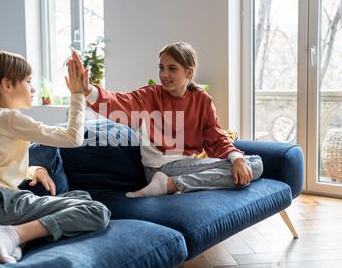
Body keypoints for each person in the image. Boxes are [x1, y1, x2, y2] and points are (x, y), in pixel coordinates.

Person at [0, 51, 111, 264]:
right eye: (28, 81)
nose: (34, 88)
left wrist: (33, 170)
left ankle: (11, 243)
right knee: (97, 211)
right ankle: (13, 236)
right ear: (7, 85)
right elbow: (72, 138)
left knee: (81, 197)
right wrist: (76, 94)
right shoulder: (9, 117)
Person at [75, 42, 263, 197]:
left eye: (172, 69)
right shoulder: (150, 95)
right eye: (162, 68)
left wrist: (236, 157)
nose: (164, 75)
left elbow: (215, 136)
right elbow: (119, 102)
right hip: (158, 168)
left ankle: (172, 185)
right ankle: (165, 184)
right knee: (253, 164)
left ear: (189, 73)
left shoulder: (201, 100)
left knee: (253, 164)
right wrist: (88, 90)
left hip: (186, 166)